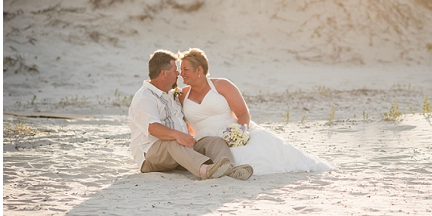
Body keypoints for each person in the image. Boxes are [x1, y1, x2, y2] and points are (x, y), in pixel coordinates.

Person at [178, 48, 334, 175]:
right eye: (180, 69)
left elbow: (243, 113)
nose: (181, 73)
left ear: (199, 69)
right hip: (204, 139)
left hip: (232, 131)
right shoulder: (182, 94)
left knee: (261, 155)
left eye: (185, 69)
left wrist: (239, 134)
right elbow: (182, 123)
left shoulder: (222, 85)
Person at [128, 49, 253, 181]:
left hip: (180, 150)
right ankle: (205, 170)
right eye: (175, 70)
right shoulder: (145, 97)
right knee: (174, 143)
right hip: (151, 155)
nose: (179, 74)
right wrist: (178, 135)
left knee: (214, 142)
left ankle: (230, 169)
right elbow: (152, 127)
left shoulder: (171, 95)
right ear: (163, 73)